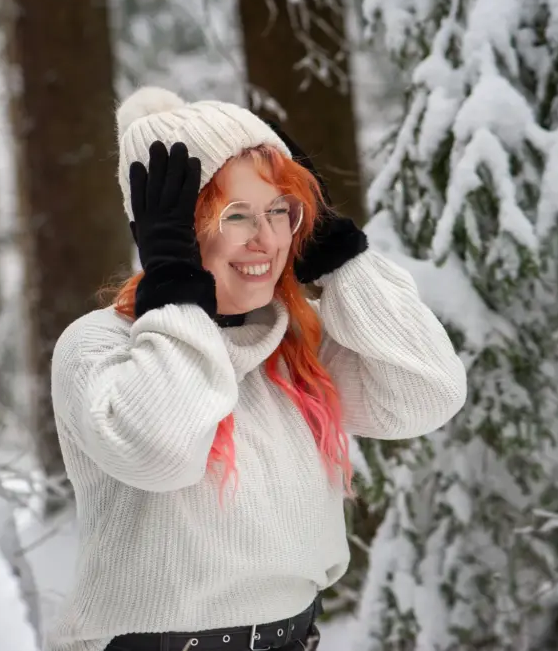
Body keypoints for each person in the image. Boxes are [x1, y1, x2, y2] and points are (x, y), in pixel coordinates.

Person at [47, 87, 467, 651]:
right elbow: (162, 451)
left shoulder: (295, 341)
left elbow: (427, 392)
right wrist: (174, 287)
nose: (267, 239)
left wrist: (339, 254)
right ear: (171, 231)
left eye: (280, 211)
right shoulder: (99, 346)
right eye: (236, 214)